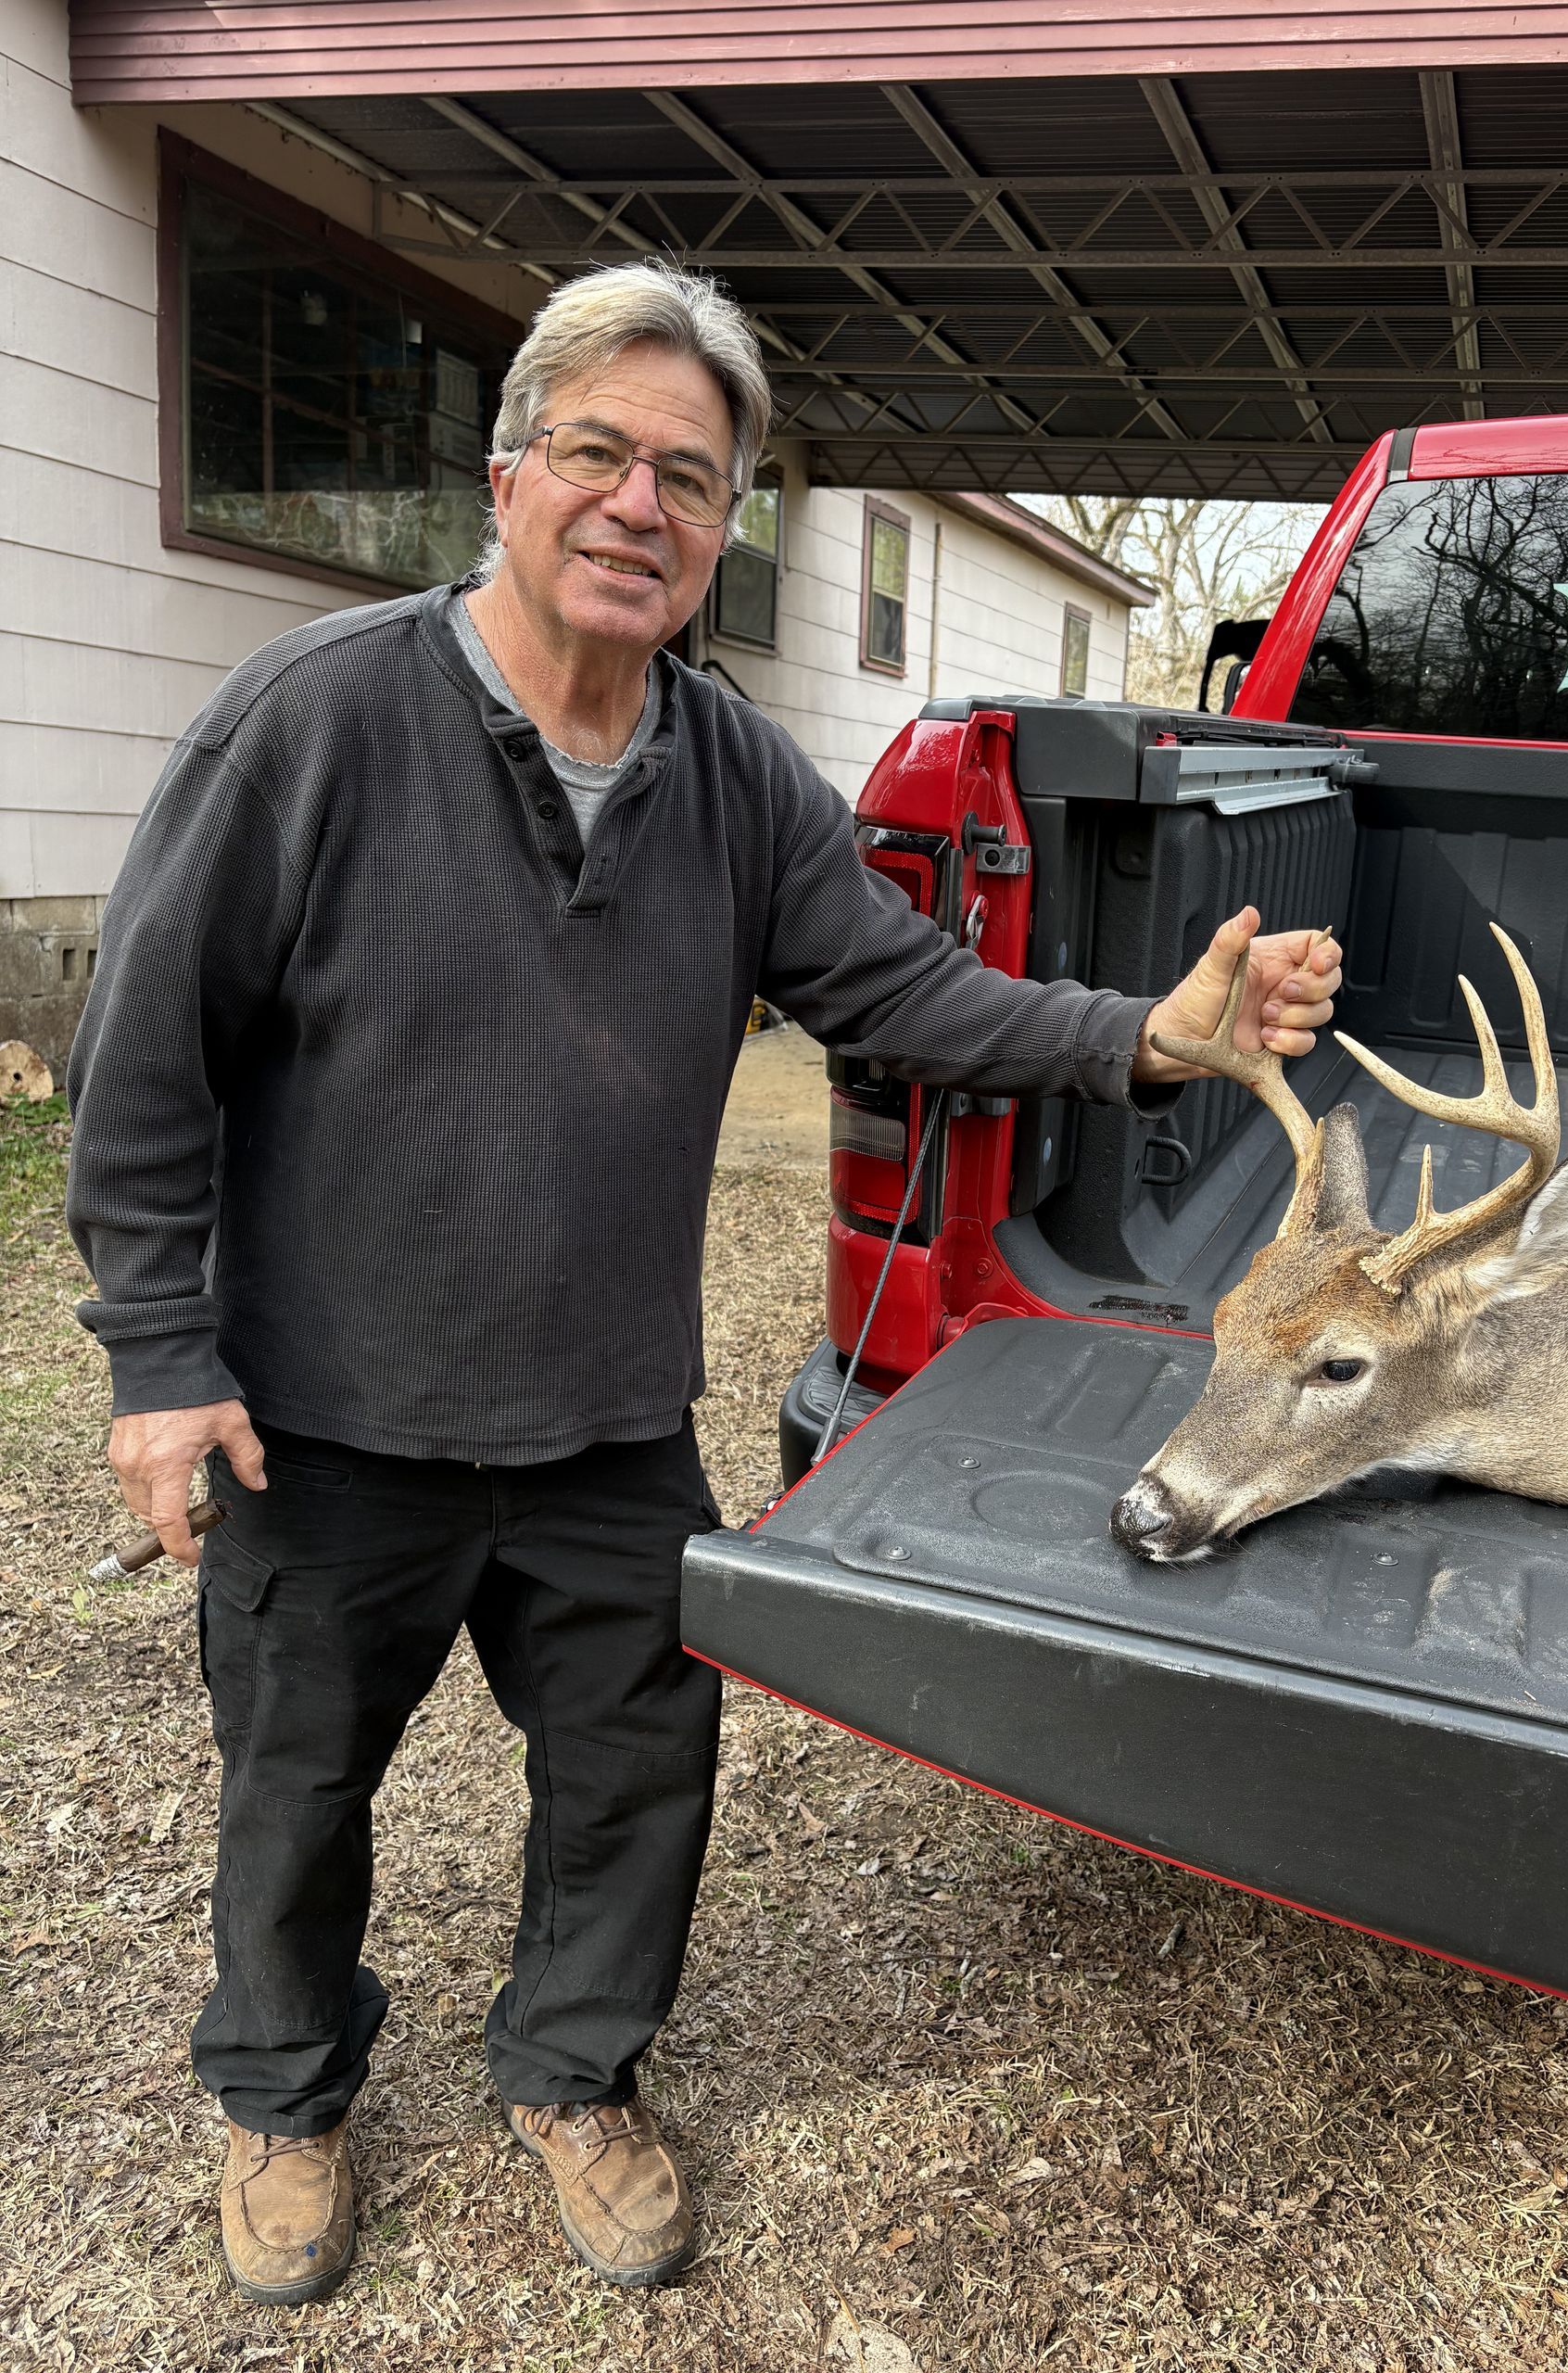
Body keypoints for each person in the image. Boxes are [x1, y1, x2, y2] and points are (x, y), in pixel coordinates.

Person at [65, 261, 1343, 2306]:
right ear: (508, 475)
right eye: (598, 452)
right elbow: (144, 1057)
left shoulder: (733, 773)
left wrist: (1149, 1038)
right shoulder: (312, 720)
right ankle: (286, 2092)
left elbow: (900, 986)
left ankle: (574, 2067)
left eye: (692, 472)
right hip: (330, 1409)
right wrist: (157, 1351)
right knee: (296, 1777)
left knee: (642, 1766)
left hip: (600, 1417)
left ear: (725, 513)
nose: (642, 503)